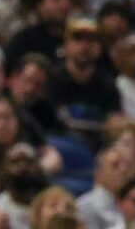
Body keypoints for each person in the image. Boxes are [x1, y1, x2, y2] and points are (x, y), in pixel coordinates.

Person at [47, 16, 119, 146]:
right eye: (78, 39)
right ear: (66, 45)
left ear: (99, 48)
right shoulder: (52, 79)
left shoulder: (107, 83)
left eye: (91, 40)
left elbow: (114, 120)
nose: (85, 46)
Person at [78, 141, 135, 229]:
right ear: (98, 172)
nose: (123, 170)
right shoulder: (85, 206)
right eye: (115, 165)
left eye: (128, 166)